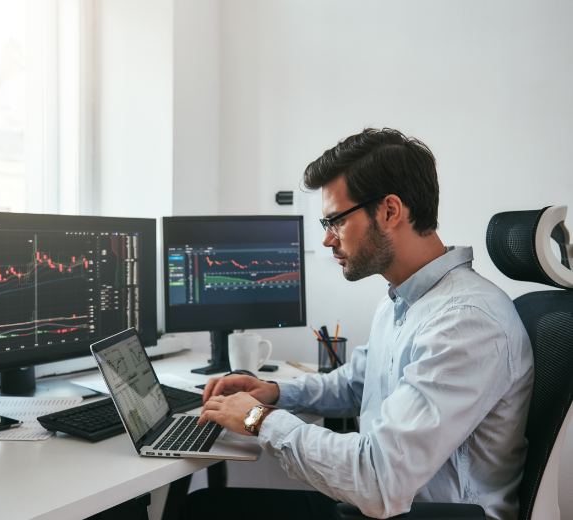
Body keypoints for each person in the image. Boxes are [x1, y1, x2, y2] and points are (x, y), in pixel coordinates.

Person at [181, 128, 534, 520]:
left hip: (415, 513)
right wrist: (275, 392)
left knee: (200, 512)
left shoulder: (465, 321)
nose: (329, 240)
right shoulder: (402, 299)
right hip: (384, 505)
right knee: (202, 506)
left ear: (389, 211)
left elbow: (379, 481)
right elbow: (355, 383)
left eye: (335, 221)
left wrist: (257, 419)